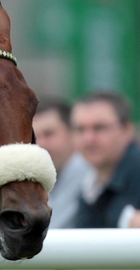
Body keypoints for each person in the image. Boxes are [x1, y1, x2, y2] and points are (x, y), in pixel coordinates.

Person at [70, 91, 140, 228]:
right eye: (80, 129)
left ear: (127, 130)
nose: (88, 139)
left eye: (99, 128)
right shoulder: (87, 187)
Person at [32, 97, 91, 228]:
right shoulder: (30, 179)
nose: (40, 144)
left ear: (72, 133)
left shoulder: (93, 174)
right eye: (34, 137)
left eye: (49, 134)